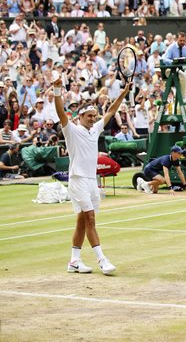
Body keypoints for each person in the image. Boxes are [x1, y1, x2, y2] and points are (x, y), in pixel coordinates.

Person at [53, 75, 132, 276]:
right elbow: (61, 112)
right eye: (89, 115)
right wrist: (56, 91)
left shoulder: (95, 130)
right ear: (80, 117)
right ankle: (101, 259)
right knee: (90, 217)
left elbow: (112, 110)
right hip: (78, 180)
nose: (93, 118)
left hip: (91, 181)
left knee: (81, 220)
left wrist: (123, 92)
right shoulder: (71, 130)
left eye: (94, 116)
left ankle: (74, 261)